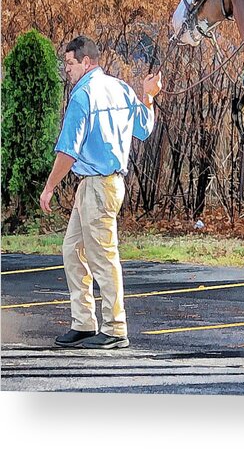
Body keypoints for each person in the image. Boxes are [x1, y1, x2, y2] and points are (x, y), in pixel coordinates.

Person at [40, 36, 162, 349]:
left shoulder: (83, 96)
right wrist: (148, 97)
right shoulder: (120, 87)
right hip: (101, 186)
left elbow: (68, 150)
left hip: (98, 186)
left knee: (103, 259)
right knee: (73, 250)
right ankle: (83, 322)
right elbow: (144, 129)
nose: (67, 69)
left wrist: (50, 186)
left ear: (87, 62)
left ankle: (116, 328)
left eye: (70, 63)